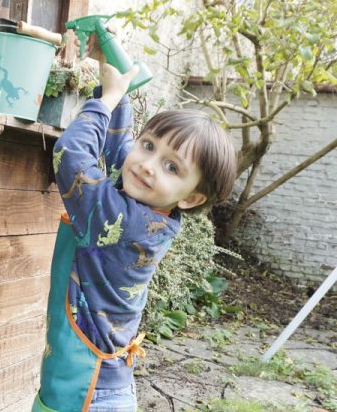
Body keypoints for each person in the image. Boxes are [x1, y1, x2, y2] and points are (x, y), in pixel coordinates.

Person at [32, 36, 237, 412]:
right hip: (93, 384)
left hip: (87, 391)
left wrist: (105, 100)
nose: (147, 164)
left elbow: (71, 155)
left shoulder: (122, 221)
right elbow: (117, 149)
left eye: (171, 166)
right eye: (149, 146)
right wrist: (116, 86)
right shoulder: (152, 211)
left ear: (191, 198)